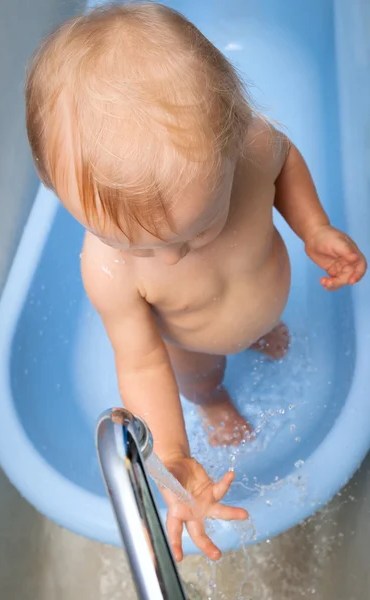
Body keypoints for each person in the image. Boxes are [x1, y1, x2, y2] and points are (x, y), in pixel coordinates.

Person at [25, 2, 367, 561]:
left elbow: (287, 163)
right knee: (201, 379)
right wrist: (176, 456)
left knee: (266, 322)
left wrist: (313, 226)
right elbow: (141, 363)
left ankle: (259, 332)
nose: (172, 256)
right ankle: (213, 400)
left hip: (265, 294)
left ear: (234, 145)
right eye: (138, 245)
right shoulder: (109, 268)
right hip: (193, 345)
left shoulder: (256, 148)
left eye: (196, 231)